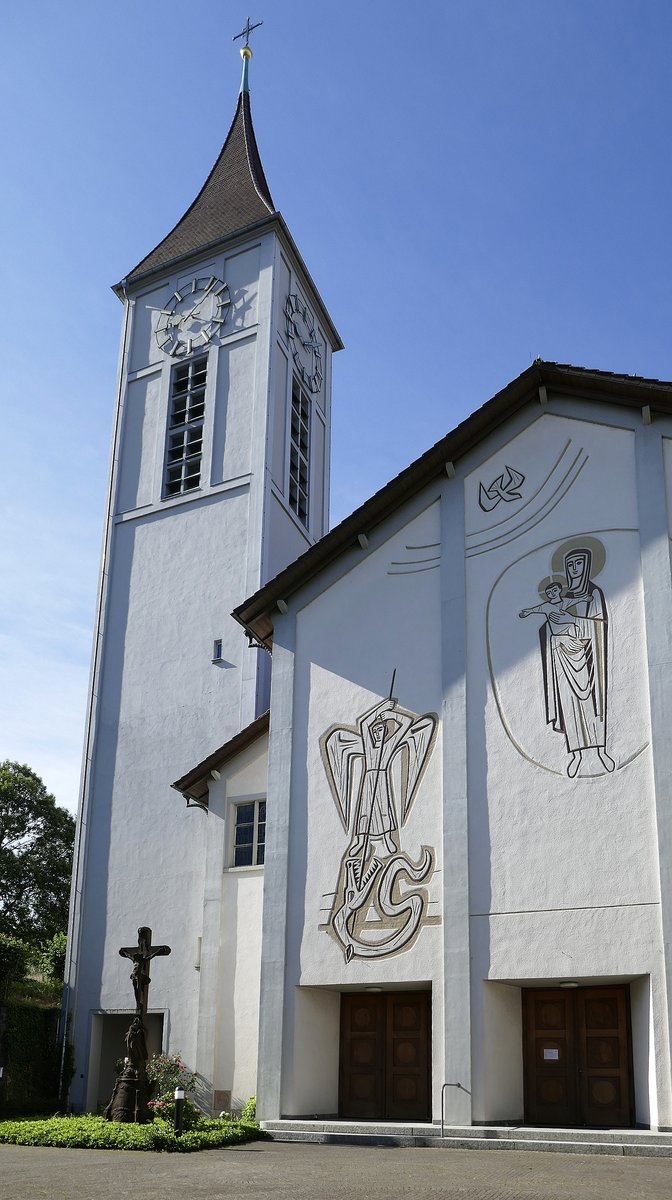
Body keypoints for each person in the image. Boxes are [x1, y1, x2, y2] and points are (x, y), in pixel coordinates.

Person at [520, 550, 615, 778]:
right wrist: (551, 627)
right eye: (570, 565)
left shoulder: (594, 594)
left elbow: (599, 626)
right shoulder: (561, 599)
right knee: (569, 705)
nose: (574, 570)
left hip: (590, 658)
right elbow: (542, 618)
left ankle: (601, 750)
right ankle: (577, 754)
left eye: (578, 564)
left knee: (593, 705)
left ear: (587, 566)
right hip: (562, 657)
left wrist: (571, 621)